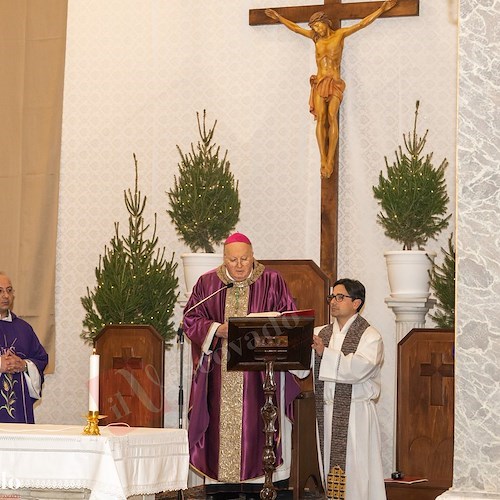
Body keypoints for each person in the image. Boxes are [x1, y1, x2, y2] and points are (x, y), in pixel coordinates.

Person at [182, 232, 300, 497]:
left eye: (244, 259)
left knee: (260, 424)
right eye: (232, 260)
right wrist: (215, 329)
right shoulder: (208, 283)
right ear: (224, 259)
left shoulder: (272, 281)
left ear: (253, 255)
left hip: (261, 376)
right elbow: (191, 318)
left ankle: (265, 482)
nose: (238, 265)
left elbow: (290, 317)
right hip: (218, 374)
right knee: (216, 431)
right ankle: (220, 488)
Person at [265, 0, 398, 179]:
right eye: (314, 28)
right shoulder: (315, 38)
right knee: (321, 119)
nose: (317, 30)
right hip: (320, 83)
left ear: (325, 22)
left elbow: (362, 23)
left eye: (318, 26)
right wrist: (279, 17)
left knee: (331, 117)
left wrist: (382, 9)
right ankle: (323, 158)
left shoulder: (340, 35)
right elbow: (296, 29)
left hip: (334, 83)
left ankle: (330, 159)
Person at [300, 278, 386, 499]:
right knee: (331, 472)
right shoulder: (321, 333)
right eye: (332, 297)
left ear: (356, 302)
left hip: (356, 416)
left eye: (340, 297)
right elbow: (301, 368)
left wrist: (324, 354)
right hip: (326, 414)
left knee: (357, 474)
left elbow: (359, 368)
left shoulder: (370, 336)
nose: (333, 302)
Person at [0, 272, 48, 423]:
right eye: (0, 291)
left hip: (19, 413)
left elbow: (41, 359)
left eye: (9, 290)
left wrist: (25, 365)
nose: (5, 296)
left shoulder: (24, 329)